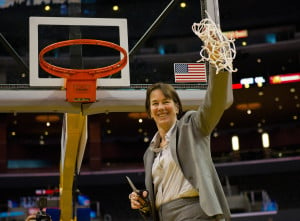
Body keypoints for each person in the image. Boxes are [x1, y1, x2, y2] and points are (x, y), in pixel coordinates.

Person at [128, 25, 234, 221]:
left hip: (195, 212)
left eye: (166, 102)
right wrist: (143, 205)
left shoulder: (192, 126)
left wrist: (218, 61)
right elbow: (160, 196)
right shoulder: (149, 153)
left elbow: (215, 103)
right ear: (149, 112)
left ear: (177, 107)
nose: (160, 107)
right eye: (155, 103)